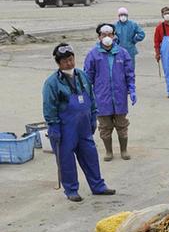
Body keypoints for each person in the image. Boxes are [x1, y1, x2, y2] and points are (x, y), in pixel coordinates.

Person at [42, 43, 116, 202]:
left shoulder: (82, 76)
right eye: (65, 61)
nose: (69, 63)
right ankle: (71, 190)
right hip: (65, 128)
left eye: (71, 59)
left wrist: (93, 116)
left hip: (83, 126)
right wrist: (53, 126)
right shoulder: (52, 83)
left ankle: (98, 186)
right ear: (58, 63)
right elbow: (49, 106)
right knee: (66, 160)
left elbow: (91, 96)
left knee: (90, 155)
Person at [84, 23, 136, 161]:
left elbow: (129, 73)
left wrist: (132, 88)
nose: (107, 37)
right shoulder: (93, 54)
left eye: (109, 34)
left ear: (114, 36)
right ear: (99, 36)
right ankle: (109, 151)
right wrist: (87, 95)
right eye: (104, 35)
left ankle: (123, 150)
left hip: (120, 95)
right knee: (105, 126)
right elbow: (87, 77)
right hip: (101, 97)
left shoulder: (122, 53)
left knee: (122, 124)